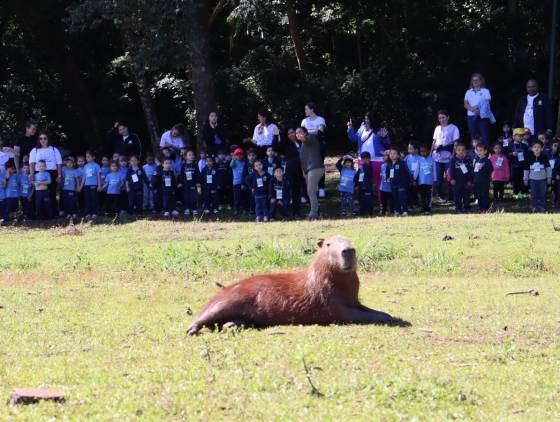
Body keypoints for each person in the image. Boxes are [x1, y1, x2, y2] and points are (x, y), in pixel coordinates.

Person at [347, 112, 390, 199]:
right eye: (365, 119)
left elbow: (388, 143)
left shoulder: (380, 130)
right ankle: (365, 201)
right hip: (362, 160)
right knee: (363, 180)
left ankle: (381, 201)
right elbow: (354, 139)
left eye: (367, 119)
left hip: (377, 160)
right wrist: (350, 129)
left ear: (372, 120)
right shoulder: (362, 128)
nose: (365, 120)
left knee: (378, 181)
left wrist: (385, 137)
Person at [273, 128, 303, 218]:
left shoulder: (302, 142)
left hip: (303, 170)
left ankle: (297, 211)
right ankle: (290, 213)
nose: (291, 134)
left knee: (299, 192)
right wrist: (275, 135)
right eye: (289, 133)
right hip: (292, 171)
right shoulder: (286, 144)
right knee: (292, 192)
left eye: (292, 132)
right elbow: (275, 147)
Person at [29, 132, 62, 215]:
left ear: (48, 139)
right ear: (38, 140)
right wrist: (32, 174)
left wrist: (59, 175)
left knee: (51, 194)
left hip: (51, 173)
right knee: (38, 195)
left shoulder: (54, 150)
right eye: (41, 138)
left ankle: (53, 214)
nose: (43, 140)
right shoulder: (35, 150)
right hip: (38, 174)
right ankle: (40, 215)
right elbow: (32, 163)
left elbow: (59, 163)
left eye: (45, 138)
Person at [431, 110, 460, 202]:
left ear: (448, 117)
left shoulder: (454, 128)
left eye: (443, 117)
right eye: (440, 118)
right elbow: (434, 142)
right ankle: (440, 197)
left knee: (450, 178)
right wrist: (430, 153)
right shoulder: (437, 128)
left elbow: (455, 143)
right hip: (437, 157)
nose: (441, 119)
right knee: (438, 179)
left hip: (448, 157)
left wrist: (453, 154)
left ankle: (452, 197)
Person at [298, 127, 324, 220]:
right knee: (310, 191)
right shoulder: (302, 145)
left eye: (300, 132)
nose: (298, 134)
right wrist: (304, 173)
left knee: (310, 191)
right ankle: (317, 211)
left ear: (305, 132)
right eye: (297, 133)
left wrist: (303, 137)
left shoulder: (311, 137)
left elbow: (306, 139)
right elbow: (303, 161)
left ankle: (313, 213)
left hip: (316, 168)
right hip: (309, 170)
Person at [301, 102, 327, 198]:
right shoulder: (304, 121)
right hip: (307, 147)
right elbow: (301, 133)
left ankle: (321, 188)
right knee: (307, 168)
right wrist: (312, 133)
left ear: (312, 109)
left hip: (318, 146)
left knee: (319, 166)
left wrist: (308, 134)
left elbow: (320, 131)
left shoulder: (320, 120)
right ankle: (310, 189)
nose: (305, 111)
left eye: (306, 109)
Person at [463, 73, 492, 146]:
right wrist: (473, 109)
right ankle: (475, 155)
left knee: (485, 136)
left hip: (483, 116)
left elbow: (487, 103)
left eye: (477, 80)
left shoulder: (485, 91)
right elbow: (465, 104)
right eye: (473, 80)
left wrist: (478, 110)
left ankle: (486, 155)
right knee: (473, 136)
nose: (475, 82)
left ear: (481, 81)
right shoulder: (468, 92)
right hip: (471, 117)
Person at [524, 140, 552, 212]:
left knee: (543, 193)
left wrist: (549, 177)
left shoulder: (544, 157)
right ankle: (534, 207)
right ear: (532, 148)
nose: (537, 149)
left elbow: (548, 168)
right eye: (535, 147)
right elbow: (526, 169)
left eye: (539, 147)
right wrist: (525, 179)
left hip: (543, 179)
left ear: (542, 149)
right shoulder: (529, 158)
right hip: (533, 180)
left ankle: (543, 207)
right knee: (534, 194)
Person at [386, 147, 411, 217]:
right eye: (391, 153)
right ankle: (397, 211)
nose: (392, 155)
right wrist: (387, 178)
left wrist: (411, 180)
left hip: (401, 184)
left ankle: (405, 211)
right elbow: (387, 173)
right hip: (393, 184)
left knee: (402, 198)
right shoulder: (389, 164)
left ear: (398, 155)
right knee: (395, 198)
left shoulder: (402, 163)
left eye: (394, 153)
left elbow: (407, 172)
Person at [449, 143, 473, 213]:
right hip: (456, 182)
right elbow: (451, 170)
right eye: (459, 150)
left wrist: (469, 180)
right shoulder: (453, 160)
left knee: (466, 195)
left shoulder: (467, 160)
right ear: (456, 151)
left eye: (463, 150)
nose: (461, 151)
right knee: (457, 196)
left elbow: (470, 171)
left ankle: (466, 208)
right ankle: (458, 209)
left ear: (465, 151)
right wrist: (451, 179)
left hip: (465, 181)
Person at [506, 128, 530, 199]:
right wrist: (512, 154)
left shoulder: (524, 146)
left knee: (524, 179)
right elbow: (506, 155)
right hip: (514, 166)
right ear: (513, 137)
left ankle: (524, 192)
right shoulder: (510, 146)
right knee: (515, 180)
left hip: (523, 165)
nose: (521, 137)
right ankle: (516, 193)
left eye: (522, 136)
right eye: (519, 136)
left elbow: (527, 155)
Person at [177, 150, 201, 216]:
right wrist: (179, 182)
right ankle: (187, 209)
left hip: (193, 184)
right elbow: (181, 175)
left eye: (192, 155)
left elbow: (198, 174)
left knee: (194, 197)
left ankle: (194, 209)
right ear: (185, 157)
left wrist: (198, 182)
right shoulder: (183, 165)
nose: (191, 156)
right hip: (185, 184)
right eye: (189, 155)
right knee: (186, 197)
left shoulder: (195, 165)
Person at [79, 150, 101, 219]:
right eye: (86, 157)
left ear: (93, 157)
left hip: (94, 185)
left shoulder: (96, 165)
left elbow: (98, 176)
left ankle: (95, 213)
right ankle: (88, 213)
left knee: (94, 199)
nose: (86, 158)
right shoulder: (86, 166)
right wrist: (80, 186)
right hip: (86, 186)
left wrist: (99, 185)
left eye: (88, 157)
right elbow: (84, 177)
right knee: (87, 199)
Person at [473, 143, 493, 213]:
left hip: (484, 181)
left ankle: (485, 208)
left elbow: (491, 169)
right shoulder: (476, 160)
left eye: (481, 150)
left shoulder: (487, 160)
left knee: (484, 195)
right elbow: (474, 171)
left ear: (485, 151)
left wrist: (483, 168)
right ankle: (480, 207)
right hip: (477, 181)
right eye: (477, 150)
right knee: (478, 195)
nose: (479, 152)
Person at [354, 151, 374, 216]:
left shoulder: (370, 167)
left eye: (366, 158)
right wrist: (356, 184)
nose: (365, 160)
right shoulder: (361, 168)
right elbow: (356, 177)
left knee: (369, 201)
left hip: (368, 187)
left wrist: (363, 167)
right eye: (363, 159)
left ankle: (370, 213)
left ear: (369, 159)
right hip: (361, 187)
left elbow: (369, 173)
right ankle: (362, 213)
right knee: (362, 201)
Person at [230, 148, 248, 215]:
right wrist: (233, 159)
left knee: (244, 196)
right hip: (236, 183)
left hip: (243, 182)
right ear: (235, 155)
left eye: (240, 154)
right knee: (236, 197)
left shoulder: (245, 162)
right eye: (237, 155)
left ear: (243, 155)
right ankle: (236, 209)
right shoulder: (234, 162)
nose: (239, 156)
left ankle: (244, 209)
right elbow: (231, 165)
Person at [417, 145, 434, 215]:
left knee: (428, 196)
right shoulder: (419, 160)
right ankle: (423, 208)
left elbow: (434, 171)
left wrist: (435, 180)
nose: (422, 153)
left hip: (429, 182)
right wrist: (414, 179)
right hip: (421, 182)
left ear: (428, 151)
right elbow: (416, 170)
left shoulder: (432, 160)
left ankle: (428, 209)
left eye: (424, 151)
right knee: (422, 196)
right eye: (421, 151)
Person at [405, 142, 420, 208]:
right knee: (408, 191)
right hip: (408, 178)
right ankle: (409, 204)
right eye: (409, 148)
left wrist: (414, 179)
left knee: (415, 191)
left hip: (416, 177)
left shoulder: (419, 158)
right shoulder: (407, 157)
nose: (409, 150)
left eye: (411, 148)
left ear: (416, 149)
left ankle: (415, 203)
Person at [379, 151, 393, 216]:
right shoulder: (382, 166)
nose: (384, 157)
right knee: (383, 201)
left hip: (390, 188)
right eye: (383, 155)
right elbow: (381, 174)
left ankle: (392, 211)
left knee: (391, 201)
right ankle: (383, 211)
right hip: (383, 187)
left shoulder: (392, 165)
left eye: (385, 155)